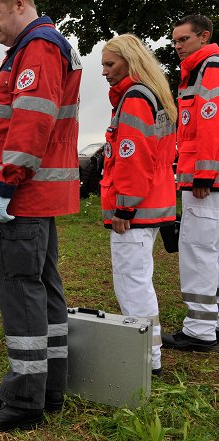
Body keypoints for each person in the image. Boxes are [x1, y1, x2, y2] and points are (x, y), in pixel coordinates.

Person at [0, 0, 82, 432]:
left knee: (20, 290)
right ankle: (49, 388)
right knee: (44, 287)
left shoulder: (36, 47)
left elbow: (31, 122)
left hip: (21, 198)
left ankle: (23, 396)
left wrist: (6, 185)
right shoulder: (41, 46)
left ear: (20, 4)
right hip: (35, 196)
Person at [99, 34, 178, 373]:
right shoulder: (154, 94)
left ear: (129, 61)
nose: (104, 71)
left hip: (136, 210)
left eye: (110, 64)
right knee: (140, 280)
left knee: (132, 283)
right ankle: (151, 351)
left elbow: (133, 159)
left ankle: (147, 359)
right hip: (155, 203)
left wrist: (124, 208)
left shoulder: (133, 98)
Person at [162, 15, 219, 351]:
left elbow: (211, 122)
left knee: (198, 250)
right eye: (174, 41)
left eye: (183, 40)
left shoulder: (208, 68)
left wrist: (204, 174)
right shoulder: (198, 70)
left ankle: (200, 330)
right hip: (205, 177)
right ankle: (210, 322)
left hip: (204, 180)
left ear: (204, 36)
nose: (177, 46)